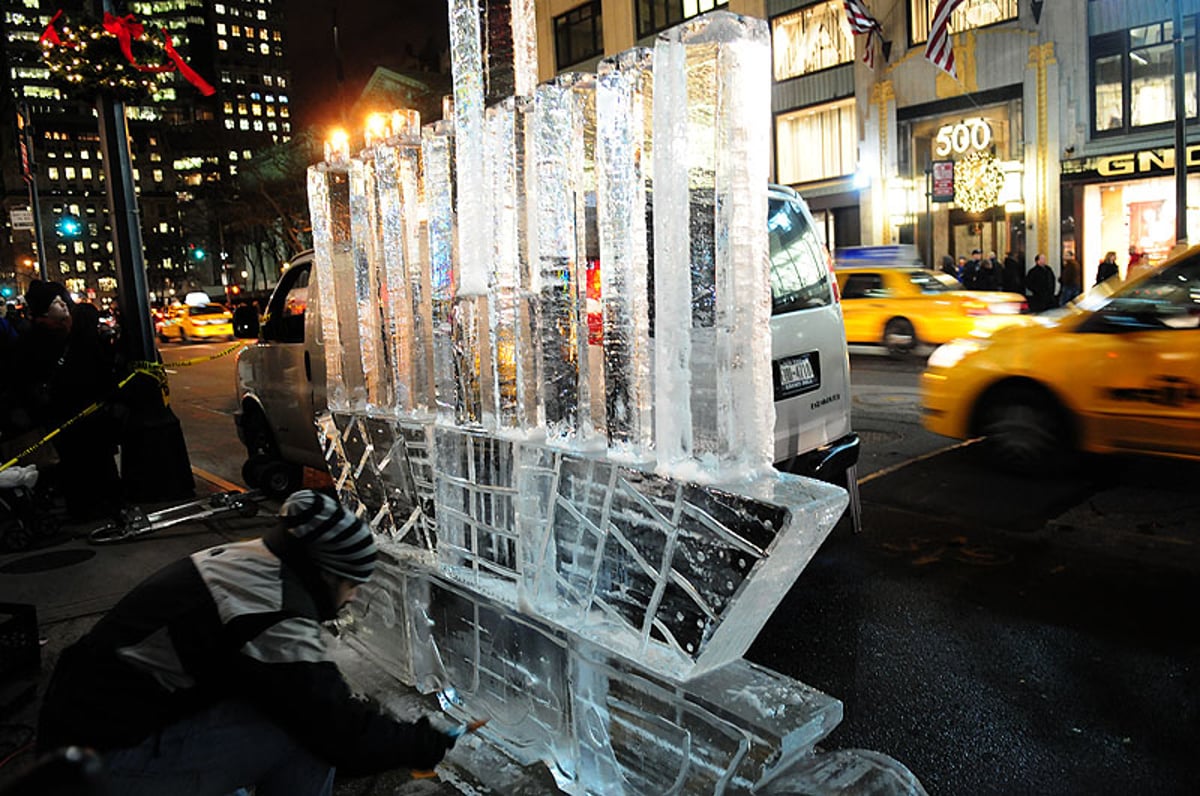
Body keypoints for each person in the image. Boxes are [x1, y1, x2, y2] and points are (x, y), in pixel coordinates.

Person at [36, 490, 458, 794]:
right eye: (353, 584)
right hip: (101, 765)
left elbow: (294, 691)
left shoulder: (249, 559)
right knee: (304, 739)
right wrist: (417, 743)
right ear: (327, 574)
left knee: (293, 714)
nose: (354, 597)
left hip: (84, 728)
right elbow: (337, 735)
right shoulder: (272, 612)